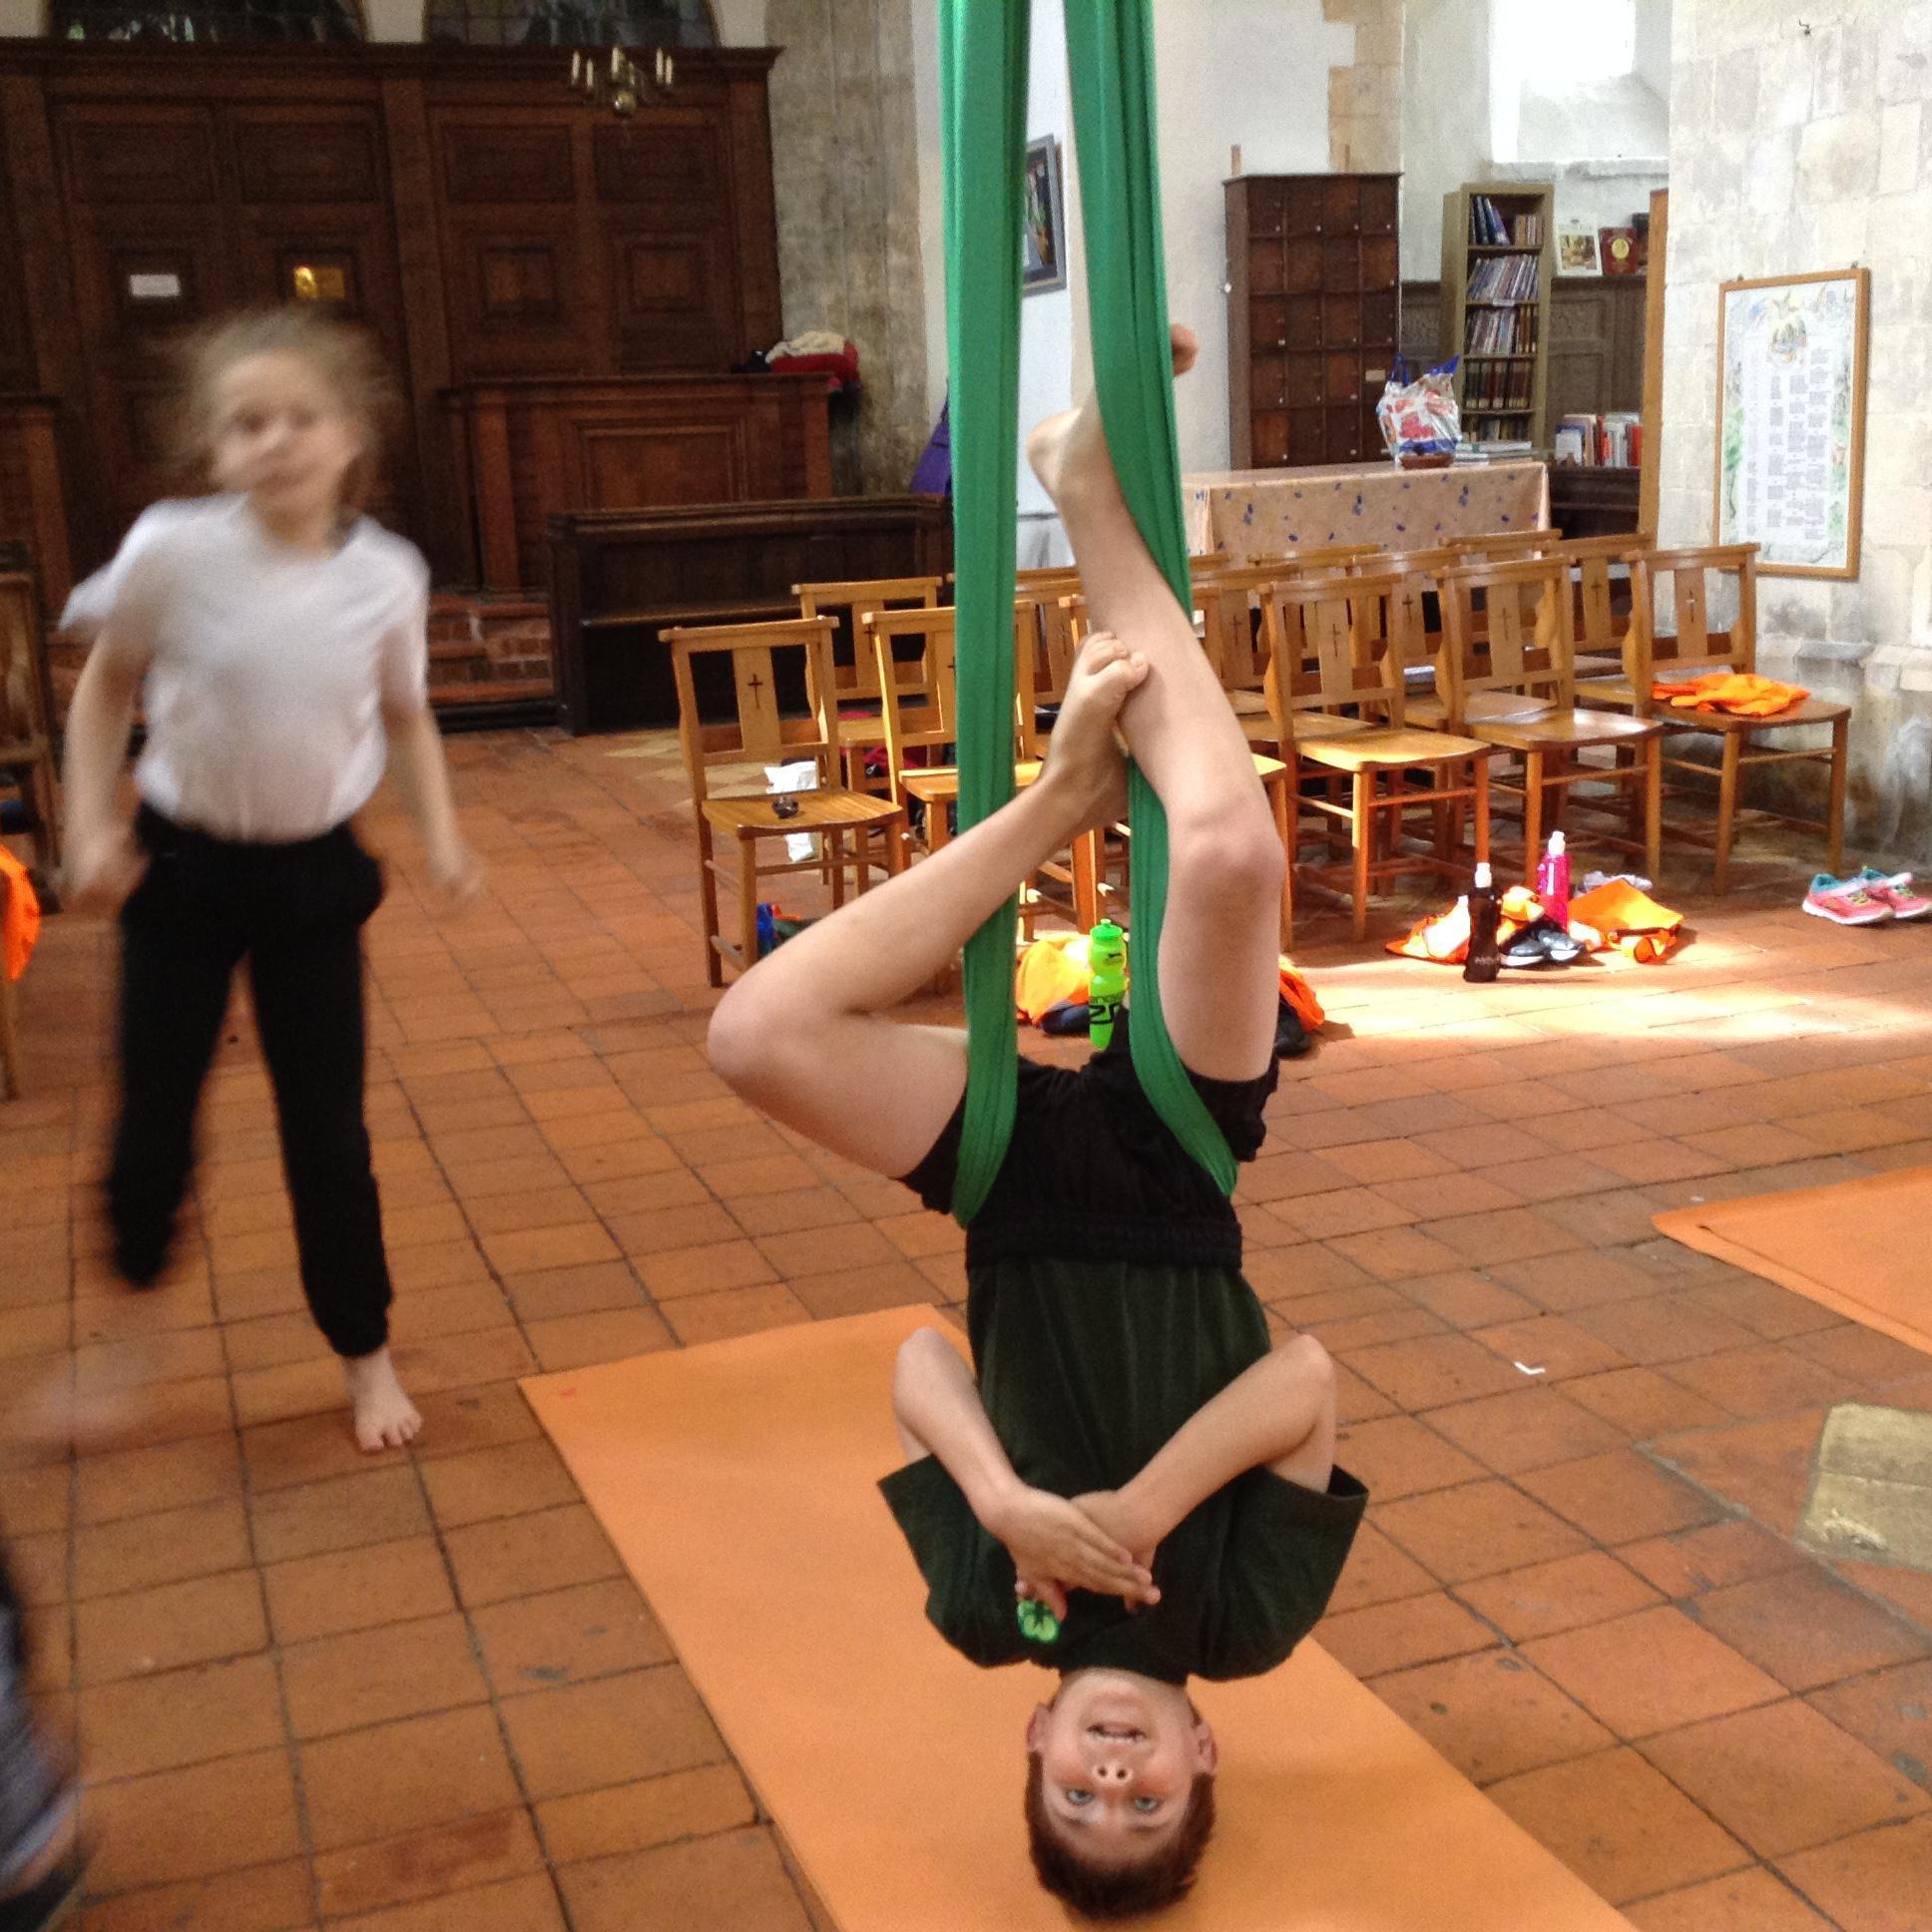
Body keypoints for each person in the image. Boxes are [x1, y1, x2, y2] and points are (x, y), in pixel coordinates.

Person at [708, 326, 1365, 1918]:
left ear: (1036, 1742)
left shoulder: (985, 1610)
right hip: (1175, 1171)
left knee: (755, 1035)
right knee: (1228, 858)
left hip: (1007, 1195)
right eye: (1145, 1803)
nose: (1114, 1775)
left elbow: (916, 1361)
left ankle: (1058, 798)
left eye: (1080, 1797)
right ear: (1201, 1756)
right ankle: (1083, 489)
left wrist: (1006, 1507)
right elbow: (1304, 1382)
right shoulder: (1241, 1629)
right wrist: (1136, 1515)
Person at [60, 307, 482, 1453]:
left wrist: (441, 835)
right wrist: (87, 825)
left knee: (328, 1136)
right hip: (182, 871)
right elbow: (105, 687)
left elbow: (405, 713)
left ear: (352, 438)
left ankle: (365, 1356)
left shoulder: (386, 574)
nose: (277, 440)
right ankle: (128, 1344)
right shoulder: (172, 550)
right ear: (216, 448)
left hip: (311, 881)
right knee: (152, 1125)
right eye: (248, 423)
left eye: (302, 417)